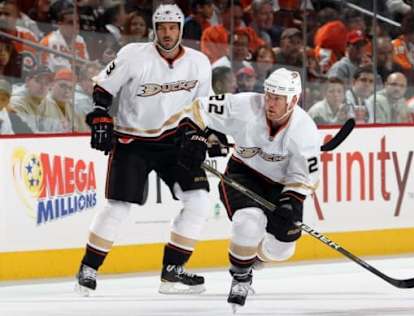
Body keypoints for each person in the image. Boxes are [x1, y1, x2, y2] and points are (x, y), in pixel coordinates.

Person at [74, 3, 212, 296]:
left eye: (172, 27)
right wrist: (101, 113)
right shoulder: (133, 55)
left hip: (174, 141)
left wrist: (202, 137)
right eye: (161, 27)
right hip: (131, 141)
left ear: (180, 29)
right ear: (154, 28)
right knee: (118, 207)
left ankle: (172, 272)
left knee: (198, 200)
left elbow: (203, 107)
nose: (166, 33)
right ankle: (88, 268)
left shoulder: (199, 62)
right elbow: (103, 87)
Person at [169, 68, 321, 310]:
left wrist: (290, 201)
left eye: (278, 98)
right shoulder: (244, 106)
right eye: (268, 95)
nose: (270, 102)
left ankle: (254, 259)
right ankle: (240, 277)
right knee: (248, 222)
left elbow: (303, 177)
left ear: (293, 100)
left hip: (281, 186)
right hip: (243, 173)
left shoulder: (305, 131)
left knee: (282, 250)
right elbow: (198, 109)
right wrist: (195, 138)